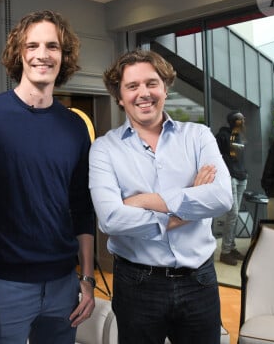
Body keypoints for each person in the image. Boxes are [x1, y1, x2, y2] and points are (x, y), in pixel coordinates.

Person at [0, 10, 96, 344]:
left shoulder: (75, 126)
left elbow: (81, 206)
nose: (42, 54)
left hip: (63, 284)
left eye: (52, 46)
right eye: (32, 45)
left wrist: (88, 278)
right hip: (4, 284)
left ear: (63, 56)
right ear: (19, 53)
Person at [89, 49, 232, 344]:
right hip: (137, 284)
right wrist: (190, 201)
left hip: (199, 282)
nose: (144, 93)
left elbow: (221, 197)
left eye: (152, 83)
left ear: (165, 88)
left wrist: (143, 201)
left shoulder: (199, 136)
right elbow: (111, 219)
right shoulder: (104, 149)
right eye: (132, 86)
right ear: (119, 97)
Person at [215, 110, 248, 265]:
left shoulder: (240, 137)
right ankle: (225, 251)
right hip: (231, 178)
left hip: (242, 178)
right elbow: (216, 157)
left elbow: (239, 158)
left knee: (234, 215)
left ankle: (232, 246)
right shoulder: (222, 136)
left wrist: (245, 173)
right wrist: (225, 174)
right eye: (241, 119)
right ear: (235, 121)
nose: (244, 120)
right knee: (233, 214)